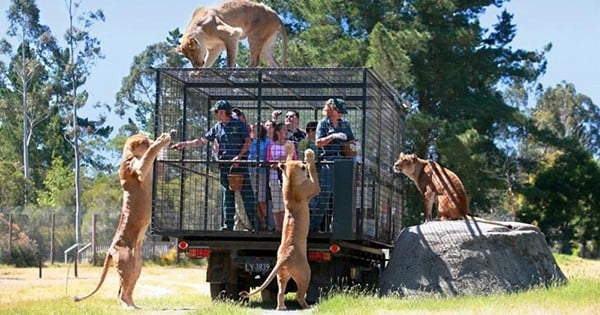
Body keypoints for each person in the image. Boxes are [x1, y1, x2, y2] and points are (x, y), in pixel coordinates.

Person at [171, 100, 256, 231]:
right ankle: (228, 225)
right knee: (227, 195)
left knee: (247, 194)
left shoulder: (239, 124)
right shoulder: (217, 127)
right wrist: (184, 144)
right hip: (224, 165)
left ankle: (255, 225)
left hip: (239, 165)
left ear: (223, 112)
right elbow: (201, 141)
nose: (216, 114)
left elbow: (248, 141)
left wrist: (239, 156)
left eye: (217, 111)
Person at [313, 98, 355, 232]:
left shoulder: (345, 124)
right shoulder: (323, 124)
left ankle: (338, 229)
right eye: (339, 111)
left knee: (341, 196)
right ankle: (314, 227)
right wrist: (333, 136)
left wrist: (354, 146)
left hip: (343, 163)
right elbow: (318, 143)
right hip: (328, 162)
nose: (341, 114)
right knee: (325, 194)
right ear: (331, 109)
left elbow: (352, 141)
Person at [267, 122, 298, 231]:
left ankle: (288, 228)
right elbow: (269, 161)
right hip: (275, 177)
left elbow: (294, 160)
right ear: (278, 132)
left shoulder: (290, 144)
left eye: (286, 130)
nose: (286, 132)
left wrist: (284, 162)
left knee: (288, 203)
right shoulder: (271, 145)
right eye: (284, 130)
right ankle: (279, 228)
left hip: (288, 177)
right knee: (277, 204)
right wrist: (277, 163)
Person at [248, 122, 271, 230]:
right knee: (254, 199)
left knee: (262, 198)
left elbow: (268, 156)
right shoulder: (251, 141)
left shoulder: (267, 141)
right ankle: (259, 222)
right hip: (251, 172)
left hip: (262, 173)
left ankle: (265, 221)